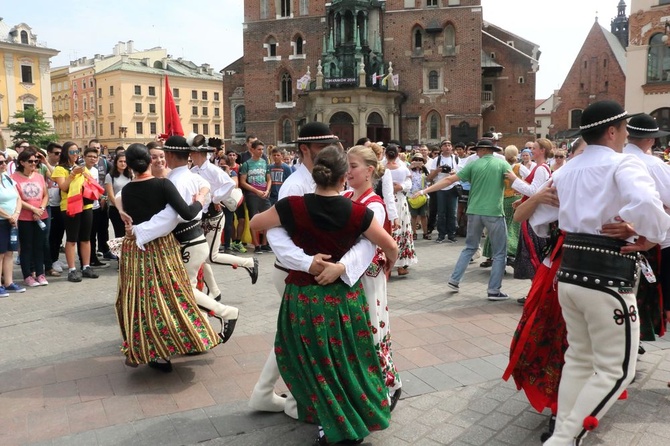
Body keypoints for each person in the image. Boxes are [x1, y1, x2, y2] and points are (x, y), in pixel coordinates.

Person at [529, 100, 670, 445]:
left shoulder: (568, 169)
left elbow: (539, 217)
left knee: (579, 358)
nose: (626, 135)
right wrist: (651, 236)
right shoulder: (622, 164)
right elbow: (649, 205)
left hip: (571, 275)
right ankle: (562, 439)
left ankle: (564, 435)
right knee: (616, 370)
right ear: (611, 131)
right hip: (607, 278)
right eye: (623, 129)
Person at [250, 146, 398, 445]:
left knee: (312, 361)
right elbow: (390, 245)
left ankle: (325, 419)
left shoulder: (291, 206)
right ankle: (352, 416)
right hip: (343, 297)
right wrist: (387, 262)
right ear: (344, 177)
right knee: (348, 358)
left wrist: (296, 253)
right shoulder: (360, 212)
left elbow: (256, 224)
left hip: (303, 295)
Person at [117, 143, 219, 372]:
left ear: (130, 166)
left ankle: (150, 351)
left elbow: (125, 210)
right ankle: (189, 339)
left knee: (142, 301)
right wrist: (201, 197)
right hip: (163, 247)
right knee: (173, 294)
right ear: (150, 161)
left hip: (137, 250)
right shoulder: (163, 184)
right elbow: (188, 213)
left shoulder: (126, 191)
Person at [132, 136, 239, 344]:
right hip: (193, 239)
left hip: (188, 240)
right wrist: (204, 196)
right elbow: (205, 185)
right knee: (184, 288)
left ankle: (226, 313)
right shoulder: (185, 176)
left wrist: (141, 232)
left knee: (184, 288)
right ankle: (195, 333)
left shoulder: (178, 179)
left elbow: (171, 216)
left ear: (170, 155)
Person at [413, 139, 511, 300]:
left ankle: (454, 279)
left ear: (483, 150)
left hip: (474, 212)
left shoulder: (473, 165)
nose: (476, 153)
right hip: (494, 212)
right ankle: (494, 290)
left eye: (477, 150)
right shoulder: (501, 164)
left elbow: (449, 180)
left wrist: (425, 191)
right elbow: (516, 181)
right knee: (500, 252)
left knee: (469, 247)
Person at [345, 145, 403, 408]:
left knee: (373, 326)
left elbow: (382, 243)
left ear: (369, 171)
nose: (348, 171)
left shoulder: (374, 205)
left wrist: (389, 259)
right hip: (350, 275)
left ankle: (387, 383)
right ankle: (364, 386)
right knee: (357, 330)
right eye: (347, 166)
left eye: (353, 166)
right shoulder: (346, 195)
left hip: (367, 275)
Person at [188, 135, 259, 297]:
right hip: (201, 217)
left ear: (199, 153)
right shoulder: (193, 170)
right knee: (201, 257)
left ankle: (249, 262)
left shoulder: (212, 169)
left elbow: (229, 183)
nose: (190, 155)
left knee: (211, 257)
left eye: (192, 152)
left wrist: (215, 198)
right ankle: (214, 291)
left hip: (214, 216)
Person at [623, 114, 670, 342]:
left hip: (618, 239)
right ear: (651, 140)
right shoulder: (653, 164)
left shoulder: (615, 159)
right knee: (653, 294)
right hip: (654, 241)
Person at [51, 142, 99, 283]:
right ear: (66, 153)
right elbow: (64, 187)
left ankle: (86, 266)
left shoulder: (82, 168)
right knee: (71, 238)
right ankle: (72, 269)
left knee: (85, 237)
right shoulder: (60, 169)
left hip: (85, 206)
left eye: (77, 151)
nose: (75, 154)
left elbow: (90, 183)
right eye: (72, 152)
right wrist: (72, 174)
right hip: (70, 206)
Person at [506, 138, 553, 282]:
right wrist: (522, 200)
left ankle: (536, 290)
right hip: (532, 212)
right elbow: (538, 191)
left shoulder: (540, 168)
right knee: (533, 253)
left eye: (534, 148)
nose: (531, 151)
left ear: (542, 151)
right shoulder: (541, 167)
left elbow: (534, 192)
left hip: (533, 215)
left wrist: (515, 180)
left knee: (533, 253)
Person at [11, 148, 49, 287]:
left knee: (39, 246)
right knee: (27, 247)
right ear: (22, 162)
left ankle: (40, 273)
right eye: (30, 161)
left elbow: (45, 195)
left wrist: (41, 209)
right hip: (24, 217)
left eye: (35, 161)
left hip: (40, 216)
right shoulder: (14, 178)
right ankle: (27, 275)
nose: (34, 163)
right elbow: (17, 198)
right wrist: (33, 209)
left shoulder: (39, 176)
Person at [480, 145, 522, 268]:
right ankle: (510, 253)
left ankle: (491, 255)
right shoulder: (520, 167)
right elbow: (531, 181)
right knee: (512, 227)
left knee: (496, 227)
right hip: (514, 199)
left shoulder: (500, 166)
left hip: (500, 199)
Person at [385, 144, 416, 276]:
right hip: (397, 200)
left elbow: (408, 183)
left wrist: (400, 186)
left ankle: (391, 264)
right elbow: (410, 182)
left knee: (389, 230)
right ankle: (400, 265)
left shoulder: (382, 167)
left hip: (387, 200)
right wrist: (401, 186)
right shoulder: (403, 167)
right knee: (402, 230)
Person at [0, 152, 26, 297]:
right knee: (0, 254)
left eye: (4, 161)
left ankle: (9, 283)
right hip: (2, 221)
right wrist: (8, 216)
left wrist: (16, 214)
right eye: (0, 163)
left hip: (12, 221)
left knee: (10, 252)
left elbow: (18, 198)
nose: (3, 164)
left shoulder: (8, 178)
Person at [239, 140, 272, 254]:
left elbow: (269, 179)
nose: (261, 151)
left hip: (264, 193)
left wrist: (267, 190)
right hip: (252, 194)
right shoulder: (247, 164)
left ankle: (264, 243)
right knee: (253, 219)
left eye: (262, 149)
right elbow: (243, 182)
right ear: (252, 150)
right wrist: (256, 191)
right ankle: (256, 244)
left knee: (267, 219)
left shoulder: (265, 162)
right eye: (259, 149)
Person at [426, 140, 460, 243]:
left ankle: (451, 234)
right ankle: (441, 234)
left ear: (451, 147)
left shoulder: (456, 159)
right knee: (441, 213)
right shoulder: (436, 160)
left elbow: (462, 174)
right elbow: (429, 178)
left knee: (452, 213)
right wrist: (437, 171)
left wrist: (454, 173)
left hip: (453, 187)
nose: (447, 147)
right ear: (441, 148)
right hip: (440, 188)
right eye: (445, 145)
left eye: (449, 145)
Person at [104, 151, 132, 238]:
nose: (123, 163)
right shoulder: (110, 176)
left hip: (128, 208)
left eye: (125, 161)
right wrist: (120, 208)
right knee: (119, 234)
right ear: (116, 162)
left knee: (130, 234)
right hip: (115, 209)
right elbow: (111, 195)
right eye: (120, 161)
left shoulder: (131, 175)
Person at [408, 152, 430, 240]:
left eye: (420, 160)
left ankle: (425, 233)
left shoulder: (425, 170)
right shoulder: (409, 170)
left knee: (424, 215)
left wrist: (424, 168)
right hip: (412, 195)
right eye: (416, 160)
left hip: (423, 195)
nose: (418, 162)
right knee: (413, 216)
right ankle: (414, 233)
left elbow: (429, 181)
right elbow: (404, 176)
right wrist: (410, 167)